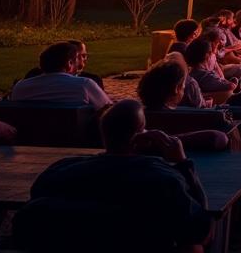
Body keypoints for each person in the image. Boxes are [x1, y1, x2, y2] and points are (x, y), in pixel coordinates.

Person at [12, 99, 212, 252]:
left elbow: (36, 208)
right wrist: (183, 163)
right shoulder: (164, 178)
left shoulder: (59, 171)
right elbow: (200, 227)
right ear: (141, 137)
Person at [11, 42, 112, 108]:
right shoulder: (84, 85)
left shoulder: (20, 87)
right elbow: (108, 109)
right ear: (69, 64)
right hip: (74, 138)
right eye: (78, 59)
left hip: (30, 137)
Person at [184, 38, 236, 103]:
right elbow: (230, 86)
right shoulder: (205, 76)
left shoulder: (189, 73)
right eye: (211, 53)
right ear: (207, 55)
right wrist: (234, 83)